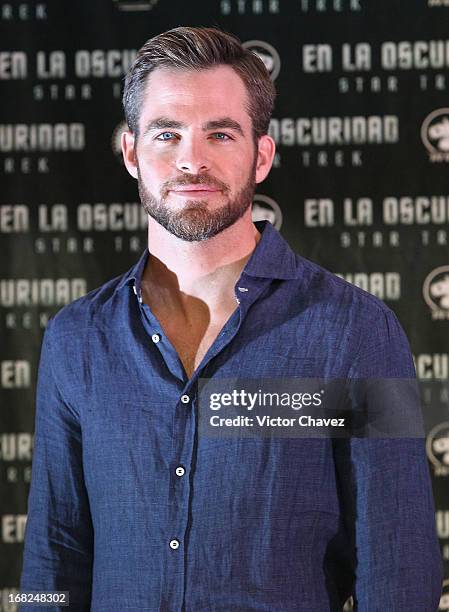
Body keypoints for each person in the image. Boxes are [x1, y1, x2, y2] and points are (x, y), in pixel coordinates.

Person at [20, 26, 443, 611]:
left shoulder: (360, 332)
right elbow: (54, 552)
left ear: (261, 156)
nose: (192, 159)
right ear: (130, 153)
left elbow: (400, 565)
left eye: (220, 133)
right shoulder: (75, 340)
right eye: (167, 134)